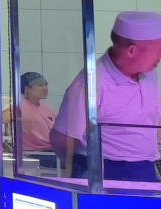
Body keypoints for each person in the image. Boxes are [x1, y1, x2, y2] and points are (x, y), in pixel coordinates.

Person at [50, 11, 161, 183]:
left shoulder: (149, 74)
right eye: (159, 50)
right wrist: (82, 171)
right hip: (103, 172)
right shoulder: (90, 84)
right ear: (131, 51)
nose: (160, 56)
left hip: (144, 170)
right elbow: (61, 138)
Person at [8, 71, 54, 166]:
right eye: (40, 85)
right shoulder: (19, 106)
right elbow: (3, 116)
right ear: (27, 89)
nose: (45, 88)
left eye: (45, 85)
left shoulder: (47, 109)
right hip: (34, 154)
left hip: (52, 151)